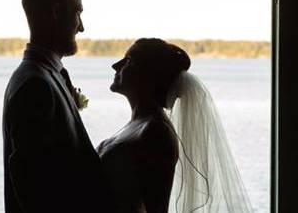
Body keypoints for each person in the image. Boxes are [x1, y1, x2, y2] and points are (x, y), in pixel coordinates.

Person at [98, 38, 253, 213]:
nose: (116, 65)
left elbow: (157, 208)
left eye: (128, 61)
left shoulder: (156, 132)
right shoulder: (136, 125)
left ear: (148, 74)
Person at [2, 0, 112, 213]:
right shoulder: (35, 85)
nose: (81, 27)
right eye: (77, 13)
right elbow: (32, 184)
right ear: (55, 13)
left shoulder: (42, 75)